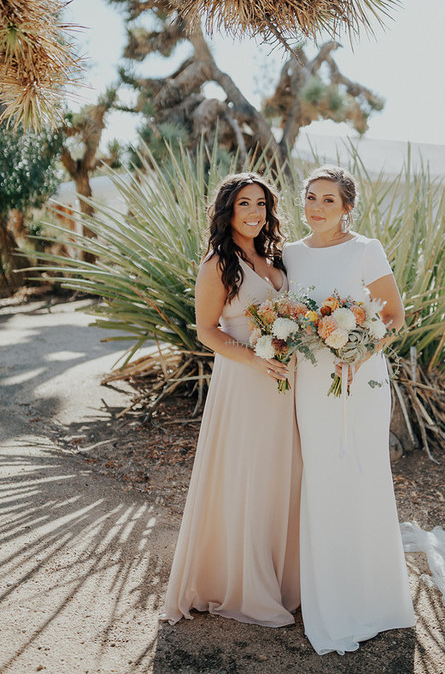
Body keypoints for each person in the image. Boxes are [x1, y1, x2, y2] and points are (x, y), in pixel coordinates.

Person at [282, 165, 417, 655]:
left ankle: (375, 595)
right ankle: (327, 593)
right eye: (311, 197)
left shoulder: (366, 249)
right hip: (312, 381)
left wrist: (356, 352)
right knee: (321, 476)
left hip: (361, 378)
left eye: (328, 200)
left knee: (363, 473)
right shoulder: (289, 254)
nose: (316, 207)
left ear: (347, 208)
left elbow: (394, 316)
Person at [160, 172, 301, 627]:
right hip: (244, 379)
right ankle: (241, 583)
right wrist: (254, 360)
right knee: (248, 474)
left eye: (261, 203)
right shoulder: (218, 263)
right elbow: (206, 330)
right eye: (245, 203)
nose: (255, 212)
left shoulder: (275, 256)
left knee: (284, 473)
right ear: (228, 210)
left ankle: (285, 579)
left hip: (286, 381)